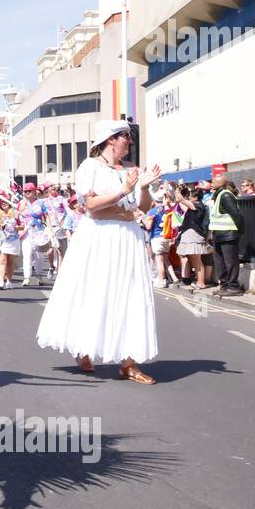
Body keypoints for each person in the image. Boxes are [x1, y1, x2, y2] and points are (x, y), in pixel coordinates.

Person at [36, 119, 161, 383]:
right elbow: (91, 205)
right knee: (94, 291)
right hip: (99, 235)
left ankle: (129, 362)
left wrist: (145, 187)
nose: (129, 140)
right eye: (125, 136)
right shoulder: (90, 167)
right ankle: (83, 347)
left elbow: (145, 207)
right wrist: (123, 191)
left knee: (130, 294)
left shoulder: (132, 169)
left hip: (128, 236)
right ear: (110, 139)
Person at [209, 177, 245, 297]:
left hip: (228, 234)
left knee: (231, 262)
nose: (211, 183)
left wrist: (239, 231)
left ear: (221, 183)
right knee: (220, 262)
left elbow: (236, 214)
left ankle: (233, 286)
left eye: (214, 181)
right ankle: (224, 285)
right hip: (218, 234)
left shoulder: (225, 195)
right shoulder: (218, 195)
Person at [174, 184, 211, 292]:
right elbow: (179, 200)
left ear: (195, 198)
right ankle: (199, 281)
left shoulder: (198, 206)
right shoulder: (195, 205)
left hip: (194, 235)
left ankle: (201, 283)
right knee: (195, 260)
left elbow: (180, 199)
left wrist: (176, 189)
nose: (189, 198)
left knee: (197, 260)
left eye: (190, 196)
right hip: (190, 234)